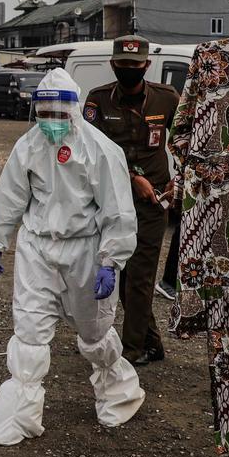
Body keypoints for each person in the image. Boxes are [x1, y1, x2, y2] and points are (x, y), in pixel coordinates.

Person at [0, 68, 145, 445]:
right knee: (29, 331)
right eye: (45, 113)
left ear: (73, 111)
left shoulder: (101, 150)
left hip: (84, 248)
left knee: (94, 332)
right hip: (37, 246)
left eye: (59, 114)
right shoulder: (29, 145)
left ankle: (119, 393)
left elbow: (117, 210)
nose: (51, 122)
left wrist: (110, 260)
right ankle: (18, 417)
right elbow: (11, 194)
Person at [83, 35, 180, 367]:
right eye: (122, 65)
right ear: (113, 65)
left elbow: (187, 139)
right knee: (120, 278)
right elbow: (91, 153)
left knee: (139, 277)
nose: (129, 71)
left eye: (135, 66)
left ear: (146, 66)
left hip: (152, 203)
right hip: (112, 201)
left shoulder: (166, 99)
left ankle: (133, 350)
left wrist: (178, 178)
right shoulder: (98, 102)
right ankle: (152, 342)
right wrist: (130, 177)